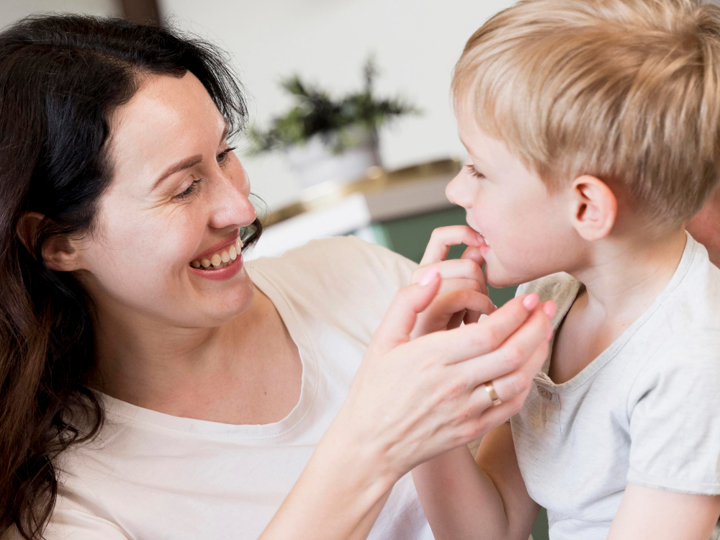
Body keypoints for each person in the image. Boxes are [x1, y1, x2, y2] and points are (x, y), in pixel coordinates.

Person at [0, 15, 556, 540]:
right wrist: (372, 440)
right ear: (57, 241)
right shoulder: (59, 503)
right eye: (183, 187)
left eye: (224, 154)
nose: (241, 210)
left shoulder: (360, 281)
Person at [410, 0, 720, 539]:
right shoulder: (551, 298)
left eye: (479, 170)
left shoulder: (693, 361)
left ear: (586, 208)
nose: (456, 190)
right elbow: (489, 530)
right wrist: (423, 386)